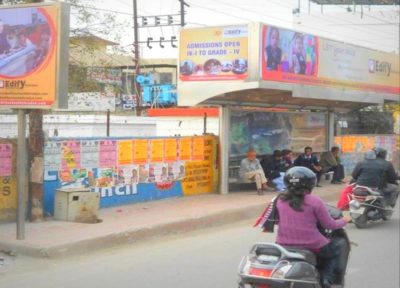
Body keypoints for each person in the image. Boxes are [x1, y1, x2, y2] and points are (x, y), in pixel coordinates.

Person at [276, 167, 351, 288]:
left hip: (283, 245)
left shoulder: (279, 200)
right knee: (338, 247)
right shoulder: (315, 201)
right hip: (313, 245)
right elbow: (329, 225)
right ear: (311, 184)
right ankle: (326, 280)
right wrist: (344, 220)